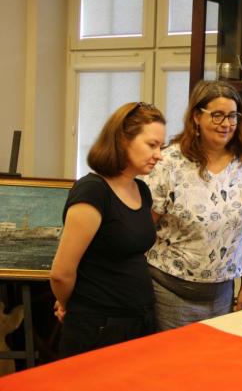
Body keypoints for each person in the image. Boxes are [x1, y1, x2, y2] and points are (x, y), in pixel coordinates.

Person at [143, 80, 242, 331]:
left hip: (222, 295)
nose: (226, 124)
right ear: (197, 116)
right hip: (169, 292)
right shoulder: (169, 163)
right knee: (175, 356)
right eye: (217, 115)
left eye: (232, 116)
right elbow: (143, 230)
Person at [50, 102, 166, 357]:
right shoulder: (93, 191)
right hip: (99, 325)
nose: (159, 155)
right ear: (123, 140)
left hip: (139, 319)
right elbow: (61, 272)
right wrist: (68, 304)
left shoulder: (141, 190)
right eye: (152, 145)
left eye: (161, 146)